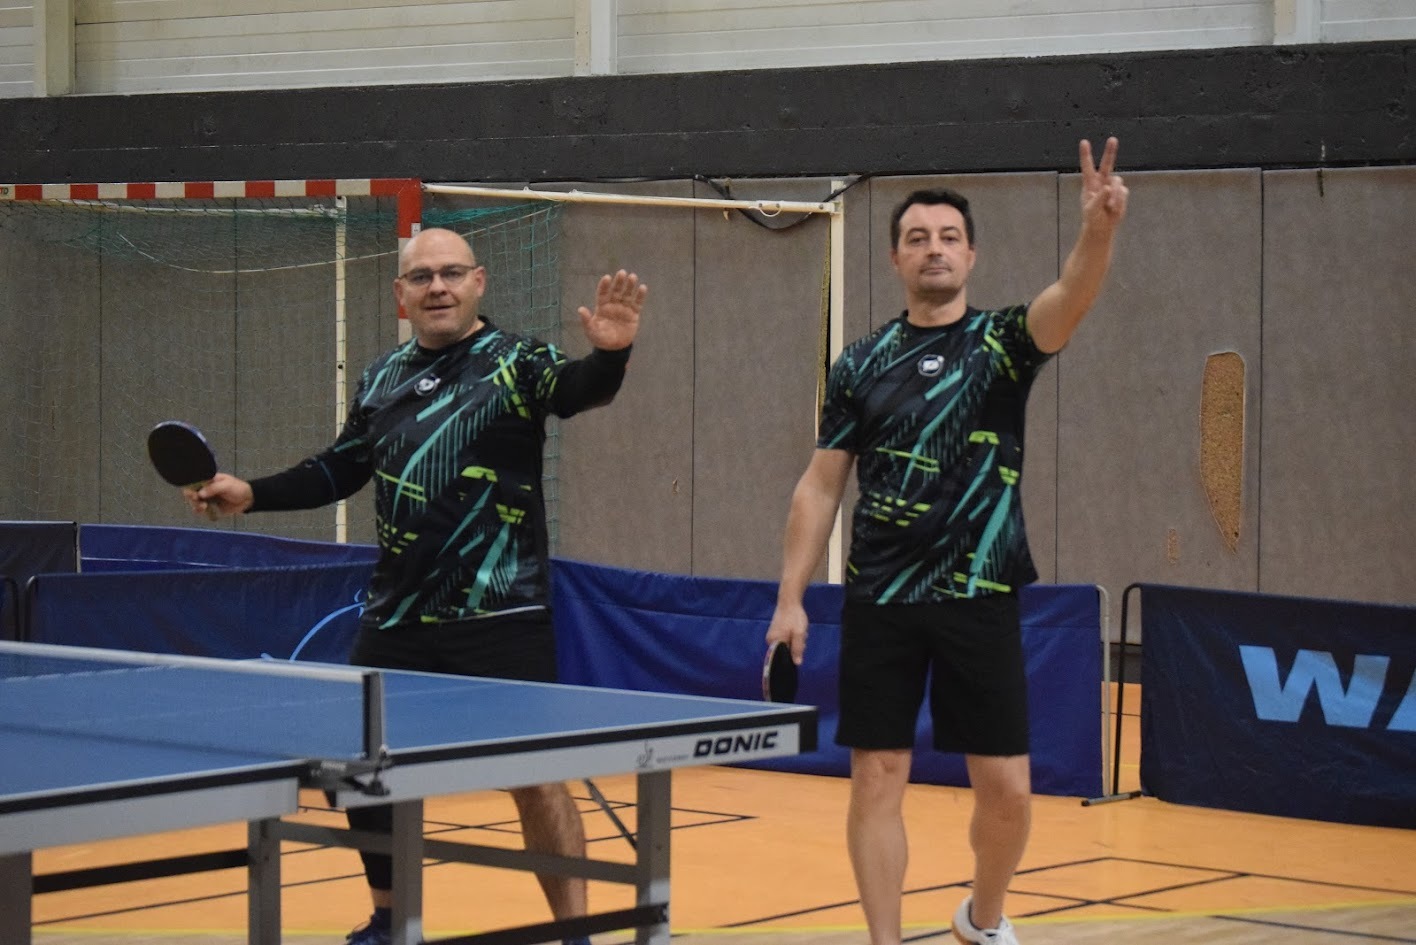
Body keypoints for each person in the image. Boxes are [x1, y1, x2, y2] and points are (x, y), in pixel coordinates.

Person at [184, 227, 647, 945]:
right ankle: (391, 920)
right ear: (400, 293)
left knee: (536, 776)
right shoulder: (381, 378)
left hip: (501, 612)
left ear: (478, 282)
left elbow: (579, 388)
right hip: (397, 616)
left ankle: (575, 932)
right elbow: (339, 467)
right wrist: (253, 492)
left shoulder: (519, 361)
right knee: (364, 768)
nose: (438, 286)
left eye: (451, 273)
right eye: (423, 276)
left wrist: (611, 354)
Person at [765, 138, 1128, 945]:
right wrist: (791, 598)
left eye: (949, 237)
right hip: (881, 597)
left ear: (972, 255)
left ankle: (982, 918)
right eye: (918, 237)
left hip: (979, 593)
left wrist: (1098, 230)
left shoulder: (1003, 344)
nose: (935, 247)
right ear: (896, 258)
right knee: (877, 776)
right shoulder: (861, 363)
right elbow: (820, 484)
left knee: (1008, 790)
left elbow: (1071, 296)